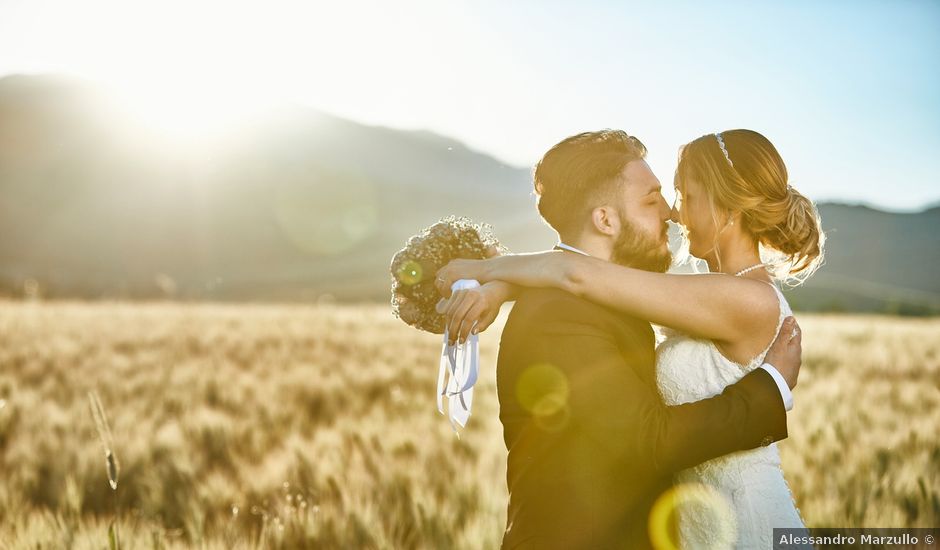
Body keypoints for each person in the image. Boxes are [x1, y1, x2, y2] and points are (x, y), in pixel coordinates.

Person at [436, 129, 820, 548]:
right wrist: (503, 287)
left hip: (739, 522)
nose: (674, 214)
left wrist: (497, 275)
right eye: (656, 198)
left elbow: (577, 273)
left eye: (683, 196)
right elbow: (582, 276)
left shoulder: (742, 299)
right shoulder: (585, 308)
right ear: (605, 219)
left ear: (725, 205)